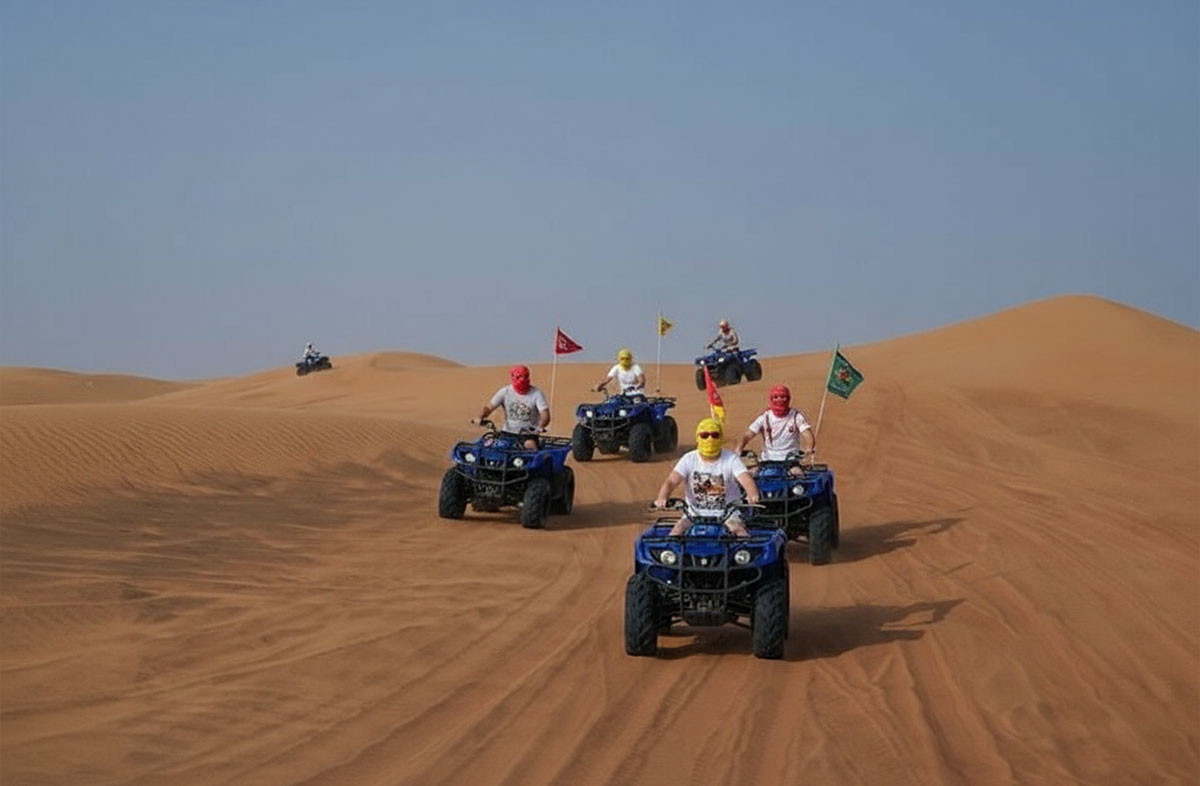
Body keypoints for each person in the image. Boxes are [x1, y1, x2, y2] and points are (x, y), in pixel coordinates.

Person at [654, 417, 759, 537]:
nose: (710, 439)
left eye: (715, 435)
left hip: (728, 515)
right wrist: (662, 497)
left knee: (740, 534)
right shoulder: (689, 459)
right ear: (698, 437)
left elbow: (745, 478)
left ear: (720, 437)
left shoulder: (731, 459)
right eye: (705, 435)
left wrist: (752, 494)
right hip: (693, 515)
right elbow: (672, 481)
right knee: (674, 534)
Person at [737, 384, 815, 474]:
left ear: (788, 398)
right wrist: (739, 448)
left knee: (798, 475)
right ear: (771, 399)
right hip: (768, 461)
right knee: (749, 477)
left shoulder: (796, 416)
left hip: (791, 461)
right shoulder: (765, 417)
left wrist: (809, 448)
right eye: (776, 397)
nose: (779, 400)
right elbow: (748, 435)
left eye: (783, 397)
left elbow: (807, 434)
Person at [473, 365, 550, 449]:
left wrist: (541, 426)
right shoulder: (505, 392)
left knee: (529, 445)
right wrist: (480, 417)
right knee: (491, 445)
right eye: (519, 377)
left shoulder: (536, 394)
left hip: (528, 435)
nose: (522, 380)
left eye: (525, 377)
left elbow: (545, 414)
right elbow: (489, 407)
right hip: (507, 433)